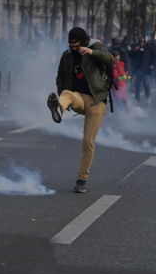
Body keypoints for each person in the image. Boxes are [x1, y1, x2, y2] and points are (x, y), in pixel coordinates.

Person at [46, 27, 113, 193]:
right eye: (71, 45)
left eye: (77, 46)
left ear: (84, 42)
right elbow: (60, 76)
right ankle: (59, 107)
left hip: (97, 100)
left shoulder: (96, 47)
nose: (74, 49)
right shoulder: (67, 55)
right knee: (66, 94)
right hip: (78, 97)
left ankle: (81, 180)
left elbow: (109, 59)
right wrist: (61, 91)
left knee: (87, 142)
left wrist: (91, 52)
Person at [131, 37, 154, 105]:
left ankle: (148, 97)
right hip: (137, 69)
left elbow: (153, 57)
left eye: (143, 41)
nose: (142, 43)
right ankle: (137, 99)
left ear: (145, 42)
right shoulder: (136, 48)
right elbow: (130, 56)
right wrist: (135, 50)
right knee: (137, 85)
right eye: (140, 41)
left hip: (145, 69)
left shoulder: (149, 48)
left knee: (146, 84)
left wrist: (152, 65)